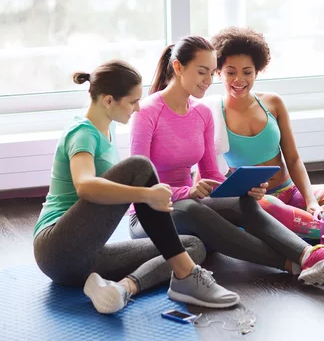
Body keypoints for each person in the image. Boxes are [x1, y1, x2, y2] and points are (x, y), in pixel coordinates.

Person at [128, 35, 324, 287]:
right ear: (178, 67)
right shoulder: (147, 112)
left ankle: (309, 254)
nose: (208, 81)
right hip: (150, 214)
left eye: (211, 74)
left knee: (243, 202)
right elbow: (139, 185)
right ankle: (293, 264)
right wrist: (187, 191)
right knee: (193, 208)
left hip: (190, 203)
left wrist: (242, 189)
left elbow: (211, 174)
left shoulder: (202, 112)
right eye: (202, 72)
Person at [33, 59, 239, 315]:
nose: (138, 107)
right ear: (108, 100)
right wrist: (146, 194)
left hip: (83, 259)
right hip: (57, 248)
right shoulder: (82, 133)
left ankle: (121, 290)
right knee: (140, 166)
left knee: (191, 246)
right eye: (132, 101)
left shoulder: (105, 132)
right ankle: (187, 276)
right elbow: (85, 186)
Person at [205, 26, 324, 242]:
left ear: (257, 71)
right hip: (257, 202)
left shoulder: (273, 102)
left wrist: (310, 201)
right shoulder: (212, 113)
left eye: (247, 72)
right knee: (269, 210)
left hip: (291, 191)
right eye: (230, 72)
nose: (239, 80)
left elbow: (293, 158)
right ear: (218, 72)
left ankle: (301, 224)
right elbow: (211, 171)